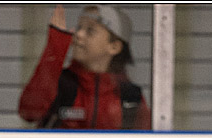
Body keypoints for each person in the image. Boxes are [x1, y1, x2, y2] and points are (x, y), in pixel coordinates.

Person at [18, 4, 151, 129]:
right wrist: (55, 49)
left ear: (114, 47)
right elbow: (28, 112)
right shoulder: (60, 84)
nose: (78, 34)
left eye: (90, 30)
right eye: (79, 27)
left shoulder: (130, 98)